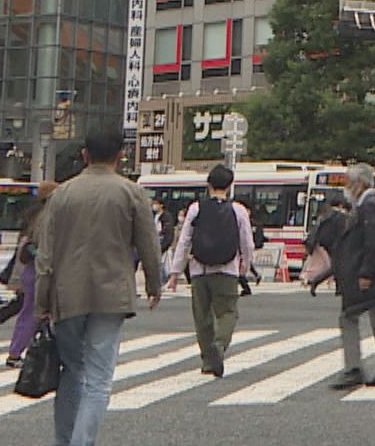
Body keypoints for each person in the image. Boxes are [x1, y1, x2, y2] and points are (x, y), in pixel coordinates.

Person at [35, 128, 164, 446]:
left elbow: (45, 252)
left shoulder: (61, 194)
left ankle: (64, 440)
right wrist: (153, 283)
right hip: (111, 294)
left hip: (67, 295)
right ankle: (82, 442)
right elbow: (148, 244)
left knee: (71, 370)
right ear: (121, 156)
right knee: (99, 378)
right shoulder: (132, 193)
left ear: (84, 155)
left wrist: (41, 299)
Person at [165, 164, 254, 377]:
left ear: (208, 184)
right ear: (230, 185)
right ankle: (220, 345)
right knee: (227, 312)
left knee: (202, 316)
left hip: (199, 270)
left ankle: (207, 360)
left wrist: (175, 273)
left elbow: (185, 241)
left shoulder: (196, 208)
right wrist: (245, 265)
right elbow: (247, 243)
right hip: (227, 269)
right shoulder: (238, 210)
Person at [328, 163, 375, 389]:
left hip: (369, 273)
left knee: (349, 316)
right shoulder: (370, 204)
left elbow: (372, 242)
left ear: (361, 183)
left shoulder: (369, 206)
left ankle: (354, 368)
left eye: (349, 182)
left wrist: (366, 273)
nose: (347, 187)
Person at [4, 183, 57, 369]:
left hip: (32, 270)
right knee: (34, 313)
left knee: (31, 313)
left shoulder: (37, 216)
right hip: (40, 271)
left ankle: (17, 351)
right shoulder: (49, 218)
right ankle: (17, 352)